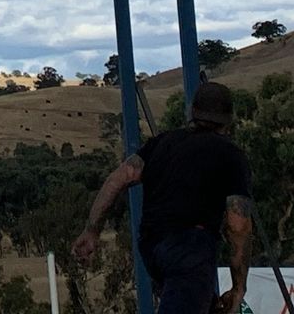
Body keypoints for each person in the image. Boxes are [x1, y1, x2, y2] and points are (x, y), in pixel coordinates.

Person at [72, 80, 254, 314]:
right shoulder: (231, 155)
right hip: (191, 247)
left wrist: (92, 230)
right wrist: (239, 287)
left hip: (152, 246)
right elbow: (238, 226)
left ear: (191, 111)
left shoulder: (163, 142)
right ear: (230, 119)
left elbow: (118, 179)